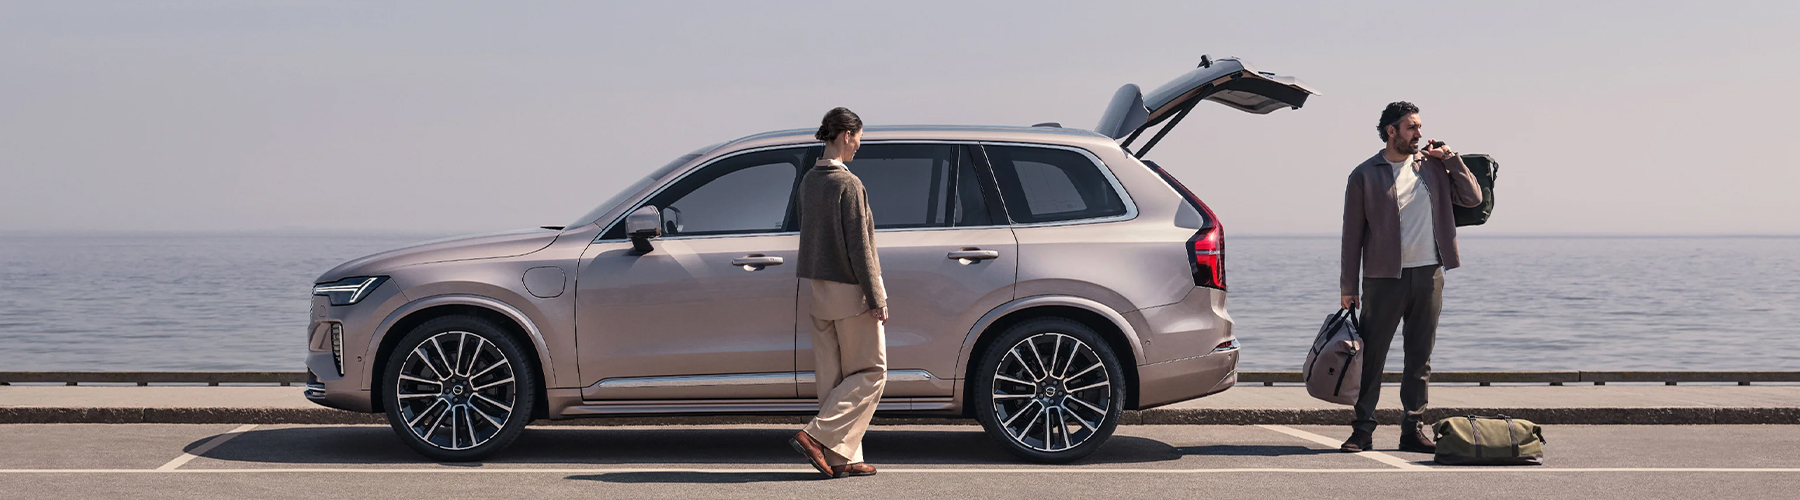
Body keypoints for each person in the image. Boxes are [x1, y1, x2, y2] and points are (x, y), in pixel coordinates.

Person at [1338, 101, 1483, 453]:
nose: (1419, 133)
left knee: (1419, 356)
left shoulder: (1433, 168)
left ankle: (1412, 428)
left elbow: (1473, 197)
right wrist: (1348, 287)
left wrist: (1451, 158)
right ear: (1392, 132)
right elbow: (1351, 235)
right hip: (1383, 278)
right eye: (1411, 128)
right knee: (1372, 357)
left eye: (1419, 127)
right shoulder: (1364, 174)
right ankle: (1362, 429)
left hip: (1429, 273)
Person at [788, 107, 889, 478]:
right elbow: (861, 248)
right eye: (859, 137)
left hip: (818, 291)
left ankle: (842, 457)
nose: (859, 146)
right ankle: (815, 436)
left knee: (834, 378)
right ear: (845, 135)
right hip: (850, 292)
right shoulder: (849, 184)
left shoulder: (809, 182)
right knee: (871, 372)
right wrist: (877, 298)